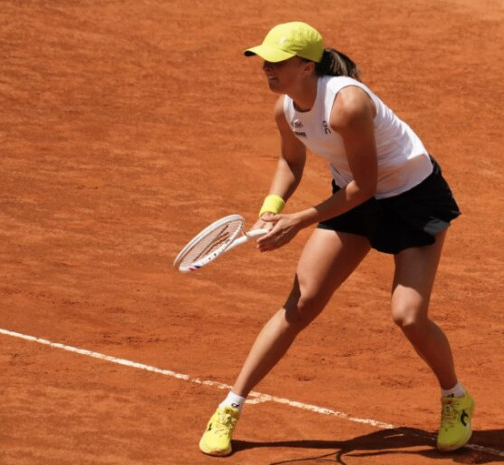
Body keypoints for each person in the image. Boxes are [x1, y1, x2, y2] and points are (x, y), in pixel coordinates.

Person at [198, 21, 474, 456]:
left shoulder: (348, 104)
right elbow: (291, 163)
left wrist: (298, 221)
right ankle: (230, 405)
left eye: (277, 62)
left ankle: (455, 397)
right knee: (301, 303)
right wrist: (272, 208)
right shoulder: (285, 109)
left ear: (307, 67)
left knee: (408, 316)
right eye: (264, 61)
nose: (267, 68)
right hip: (354, 197)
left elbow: (366, 186)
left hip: (413, 200)